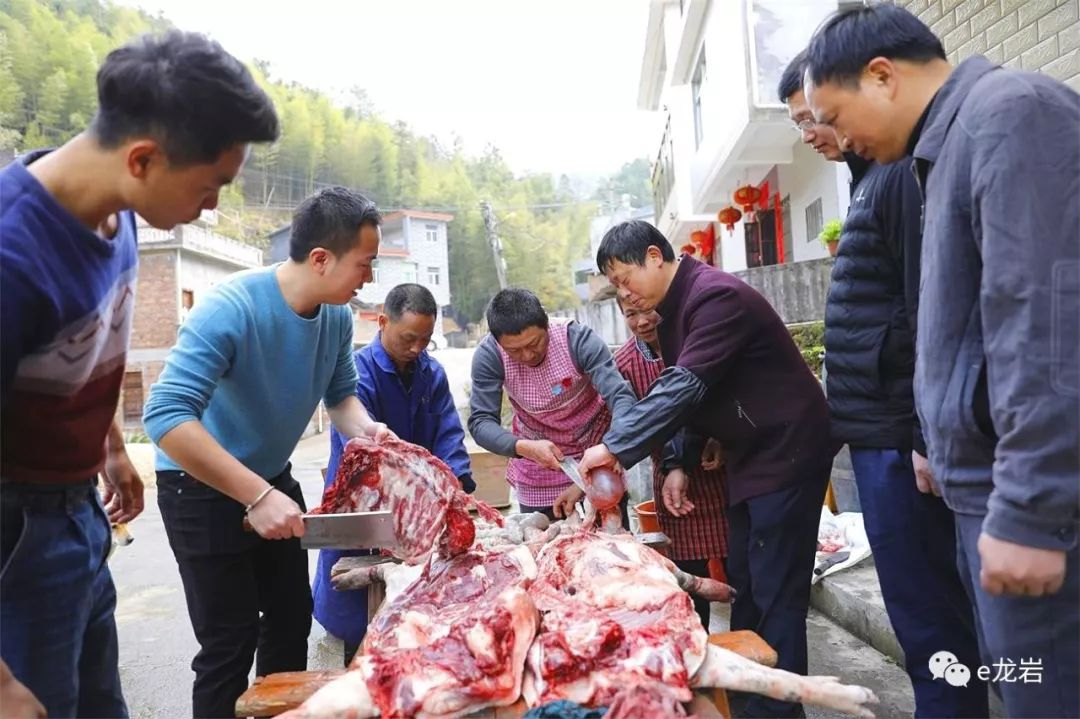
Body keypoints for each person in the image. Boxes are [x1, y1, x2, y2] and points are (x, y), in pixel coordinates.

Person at [805, 6, 1079, 717]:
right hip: (982, 498)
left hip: (1027, 505)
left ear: (882, 75)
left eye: (833, 115)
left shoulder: (1012, 116)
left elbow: (1045, 323)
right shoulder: (941, 150)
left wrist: (1030, 511)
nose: (836, 139)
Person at [0, 30, 278, 718]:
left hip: (79, 516)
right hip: (16, 537)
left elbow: (81, 349)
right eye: (211, 185)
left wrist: (110, 446)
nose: (213, 206)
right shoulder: (12, 259)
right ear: (143, 158)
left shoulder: (119, 211)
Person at [778, 52, 986, 717]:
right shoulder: (871, 178)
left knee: (931, 618)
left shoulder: (897, 178)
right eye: (801, 121)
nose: (811, 132)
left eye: (817, 116)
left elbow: (933, 310)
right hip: (884, 435)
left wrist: (929, 436)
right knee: (923, 612)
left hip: (903, 437)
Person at [143, 187, 395, 718]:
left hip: (271, 479)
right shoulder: (231, 307)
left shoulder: (336, 317)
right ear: (322, 259)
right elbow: (165, 417)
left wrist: (372, 433)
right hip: (200, 487)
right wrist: (255, 494)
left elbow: (342, 398)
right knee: (228, 643)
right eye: (364, 264)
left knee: (288, 621)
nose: (369, 278)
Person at [580, 221, 832, 718]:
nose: (625, 293)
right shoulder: (677, 310)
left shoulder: (714, 298)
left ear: (656, 256)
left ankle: (778, 711)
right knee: (746, 582)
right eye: (616, 286)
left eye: (626, 278)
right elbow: (702, 391)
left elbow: (684, 388)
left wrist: (614, 448)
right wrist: (689, 455)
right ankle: (745, 702)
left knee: (776, 590)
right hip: (752, 456)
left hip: (786, 451)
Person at [313, 282, 474, 666]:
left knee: (419, 615)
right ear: (382, 322)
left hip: (420, 512)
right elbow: (357, 445)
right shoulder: (356, 373)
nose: (417, 347)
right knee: (356, 619)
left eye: (426, 339)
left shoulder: (431, 373)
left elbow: (448, 432)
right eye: (409, 338)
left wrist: (458, 486)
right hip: (364, 505)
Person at [468, 288, 636, 521]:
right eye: (514, 350)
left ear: (546, 323)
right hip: (537, 463)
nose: (527, 355)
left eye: (534, 343)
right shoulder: (489, 356)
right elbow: (481, 422)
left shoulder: (578, 340)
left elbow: (621, 397)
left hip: (597, 455)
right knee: (544, 545)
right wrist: (524, 448)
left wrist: (611, 449)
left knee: (612, 544)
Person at [613, 298, 728, 632]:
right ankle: (696, 648)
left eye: (648, 310)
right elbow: (634, 423)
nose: (642, 322)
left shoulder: (698, 340)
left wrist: (722, 438)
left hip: (720, 473)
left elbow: (725, 399)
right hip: (672, 483)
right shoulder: (625, 363)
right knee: (689, 584)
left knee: (742, 571)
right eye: (630, 315)